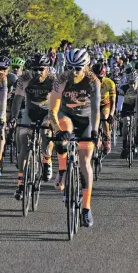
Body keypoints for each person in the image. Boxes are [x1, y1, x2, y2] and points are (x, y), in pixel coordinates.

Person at [48, 48, 100, 227]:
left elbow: (95, 109)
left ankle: (86, 208)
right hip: (66, 115)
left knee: (85, 162)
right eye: (71, 67)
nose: (75, 71)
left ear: (86, 66)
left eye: (79, 68)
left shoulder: (93, 81)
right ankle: (63, 170)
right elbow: (52, 110)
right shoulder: (60, 79)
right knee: (64, 133)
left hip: (86, 119)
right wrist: (56, 130)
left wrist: (94, 131)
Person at [11, 54, 56, 200]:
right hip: (30, 113)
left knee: (45, 134)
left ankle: (47, 160)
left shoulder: (53, 80)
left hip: (46, 113)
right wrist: (13, 117)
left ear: (47, 69)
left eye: (41, 69)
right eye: (34, 69)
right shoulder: (24, 79)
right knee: (23, 143)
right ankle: (20, 183)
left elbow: (59, 102)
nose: (37, 72)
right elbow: (17, 99)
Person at [92, 62, 116, 154]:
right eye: (96, 78)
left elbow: (113, 101)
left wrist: (111, 114)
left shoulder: (110, 83)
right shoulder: (88, 82)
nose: (98, 80)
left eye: (100, 78)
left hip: (105, 104)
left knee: (104, 118)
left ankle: (107, 139)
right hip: (93, 104)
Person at [117, 69, 138, 159]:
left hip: (136, 105)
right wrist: (119, 111)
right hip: (126, 106)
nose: (132, 85)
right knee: (126, 122)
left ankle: (137, 135)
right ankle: (124, 145)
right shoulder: (123, 88)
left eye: (134, 83)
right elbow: (120, 103)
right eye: (130, 83)